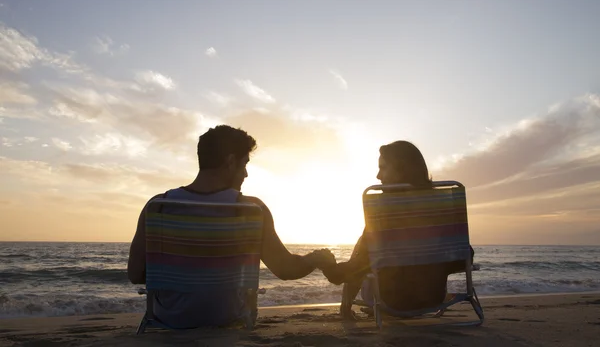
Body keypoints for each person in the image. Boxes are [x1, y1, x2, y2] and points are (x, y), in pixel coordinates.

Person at [127, 125, 335, 327]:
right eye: (244, 164)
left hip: (169, 319)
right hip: (229, 318)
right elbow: (286, 269)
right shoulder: (251, 209)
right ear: (230, 161)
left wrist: (183, 271)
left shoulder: (159, 206)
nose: (246, 174)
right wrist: (316, 258)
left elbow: (135, 274)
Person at [322, 140, 474, 318]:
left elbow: (355, 268)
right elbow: (465, 257)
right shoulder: (441, 210)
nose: (378, 175)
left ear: (402, 170)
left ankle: (345, 310)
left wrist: (327, 264)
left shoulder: (382, 217)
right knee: (369, 251)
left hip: (392, 301)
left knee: (364, 247)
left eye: (383, 168)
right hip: (433, 299)